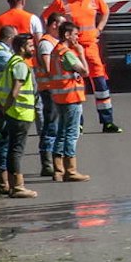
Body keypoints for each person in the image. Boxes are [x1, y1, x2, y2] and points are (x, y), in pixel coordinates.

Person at [47, 0, 119, 133]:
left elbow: (105, 11)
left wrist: (99, 29)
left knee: (101, 84)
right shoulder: (62, 1)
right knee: (75, 85)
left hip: (91, 47)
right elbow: (47, 18)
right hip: (72, 49)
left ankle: (107, 121)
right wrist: (56, 37)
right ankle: (77, 122)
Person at [0, 32, 39, 198]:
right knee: (16, 150)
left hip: (15, 112)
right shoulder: (20, 65)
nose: (33, 49)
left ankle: (11, 184)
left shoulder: (12, 62)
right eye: (30, 46)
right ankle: (18, 187)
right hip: (20, 113)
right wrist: (5, 108)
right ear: (22, 48)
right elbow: (15, 91)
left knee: (11, 150)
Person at [38, 19, 90, 182]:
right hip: (71, 97)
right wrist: (81, 53)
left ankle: (58, 169)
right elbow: (85, 71)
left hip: (59, 97)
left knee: (61, 132)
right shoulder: (67, 53)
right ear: (67, 35)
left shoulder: (55, 51)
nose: (77, 38)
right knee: (71, 133)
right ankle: (71, 170)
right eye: (75, 34)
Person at [0, 24, 21, 193]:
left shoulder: (2, 52)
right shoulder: (0, 54)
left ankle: (7, 180)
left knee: (6, 140)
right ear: (9, 39)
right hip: (0, 103)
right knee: (4, 141)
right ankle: (3, 182)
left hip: (3, 101)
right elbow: (17, 68)